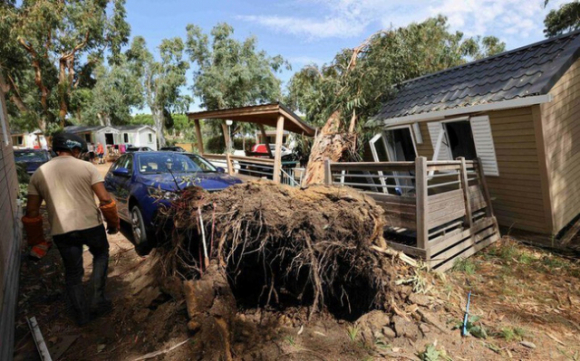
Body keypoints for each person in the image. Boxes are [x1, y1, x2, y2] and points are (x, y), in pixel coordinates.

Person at [22, 133, 120, 326]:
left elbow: (32, 211)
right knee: (101, 254)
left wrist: (37, 241)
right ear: (75, 149)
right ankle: (97, 299)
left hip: (62, 230)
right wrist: (113, 223)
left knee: (73, 272)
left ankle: (81, 315)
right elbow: (105, 199)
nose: (80, 154)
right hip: (91, 225)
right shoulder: (87, 167)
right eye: (79, 151)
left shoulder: (39, 173)